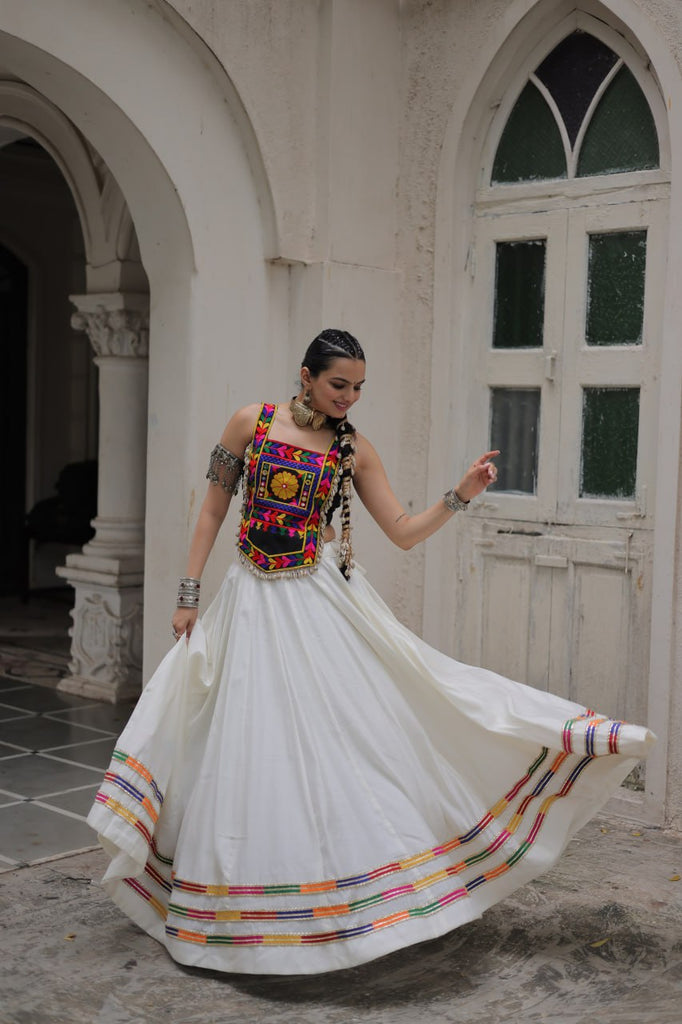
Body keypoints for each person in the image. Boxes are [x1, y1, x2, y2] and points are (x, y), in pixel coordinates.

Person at [87, 328, 654, 976]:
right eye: (339, 385)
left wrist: (461, 494)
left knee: (346, 739)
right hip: (249, 604)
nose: (349, 398)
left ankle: (345, 910)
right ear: (306, 375)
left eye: (358, 388)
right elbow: (213, 509)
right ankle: (238, 909)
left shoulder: (352, 451)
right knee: (246, 744)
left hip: (316, 602)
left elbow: (404, 532)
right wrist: (188, 593)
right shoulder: (252, 423)